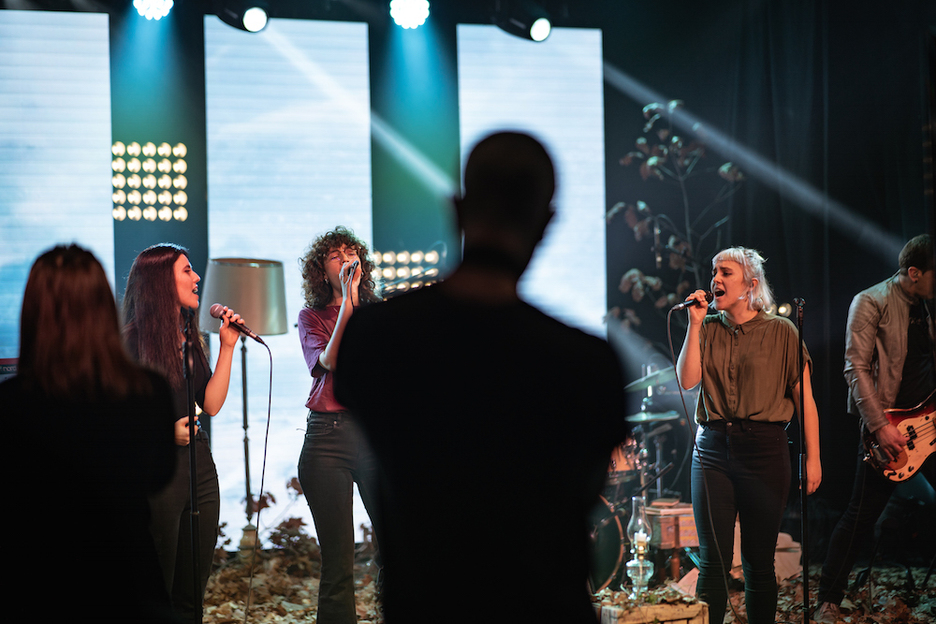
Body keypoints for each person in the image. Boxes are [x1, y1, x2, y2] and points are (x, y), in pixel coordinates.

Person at [333, 132, 630, 624]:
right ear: (546, 223)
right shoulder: (586, 362)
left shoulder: (377, 338)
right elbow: (585, 490)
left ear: (456, 209)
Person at [1, 244, 179, 622]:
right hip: (128, 584)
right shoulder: (148, 391)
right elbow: (159, 476)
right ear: (104, 307)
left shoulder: (9, 403)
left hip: (32, 589)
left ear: (33, 311)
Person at [675, 247, 821, 624]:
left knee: (758, 562)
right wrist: (694, 324)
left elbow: (805, 401)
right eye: (713, 272)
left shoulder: (781, 331)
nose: (715, 280)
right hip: (712, 451)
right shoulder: (705, 328)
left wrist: (813, 458)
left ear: (750, 285)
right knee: (713, 562)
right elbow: (687, 380)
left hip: (765, 451)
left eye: (725, 272)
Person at [814, 234, 935, 623]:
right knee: (860, 516)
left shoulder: (926, 306)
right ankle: (828, 599)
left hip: (930, 423)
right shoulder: (871, 301)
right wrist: (880, 425)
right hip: (892, 425)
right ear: (914, 272)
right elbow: (855, 367)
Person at [122, 242, 240, 623]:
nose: (197, 277)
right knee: (160, 583)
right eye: (187, 271)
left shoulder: (190, 337)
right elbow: (117, 416)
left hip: (199, 464)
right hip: (157, 470)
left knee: (193, 587)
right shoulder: (130, 341)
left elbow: (212, 405)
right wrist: (161, 433)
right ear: (159, 282)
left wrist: (227, 347)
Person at [296, 226, 383, 624]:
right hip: (327, 439)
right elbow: (328, 363)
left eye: (352, 252)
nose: (346, 259)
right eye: (336, 255)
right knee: (339, 562)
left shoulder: (380, 316)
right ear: (321, 270)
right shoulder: (311, 317)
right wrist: (346, 302)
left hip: (374, 436)